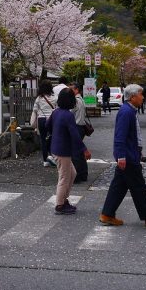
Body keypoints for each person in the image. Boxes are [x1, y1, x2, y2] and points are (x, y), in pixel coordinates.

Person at [98, 84, 146, 228]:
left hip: (131, 153)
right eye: (141, 94)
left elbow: (132, 135)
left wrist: (137, 150)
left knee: (119, 186)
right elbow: (120, 136)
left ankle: (107, 214)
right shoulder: (126, 112)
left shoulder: (130, 110)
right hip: (128, 156)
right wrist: (121, 156)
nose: (143, 97)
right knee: (138, 187)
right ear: (133, 97)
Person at [48, 87, 90, 215]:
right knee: (65, 177)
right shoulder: (68, 115)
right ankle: (60, 205)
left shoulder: (56, 112)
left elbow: (47, 126)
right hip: (63, 151)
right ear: (72, 101)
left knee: (72, 173)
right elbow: (75, 135)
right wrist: (84, 150)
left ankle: (63, 200)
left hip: (56, 148)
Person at [30, 81, 57, 167]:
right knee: (52, 139)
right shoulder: (54, 97)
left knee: (43, 139)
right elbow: (57, 108)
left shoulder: (39, 98)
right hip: (52, 120)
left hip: (41, 120)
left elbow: (35, 110)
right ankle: (53, 157)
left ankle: (45, 160)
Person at [69, 82, 89, 183]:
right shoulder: (81, 100)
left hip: (76, 127)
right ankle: (83, 174)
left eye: (71, 89)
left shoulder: (76, 101)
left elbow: (69, 112)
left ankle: (77, 176)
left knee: (75, 154)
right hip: (81, 127)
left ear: (76, 90)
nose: (70, 91)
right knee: (80, 152)